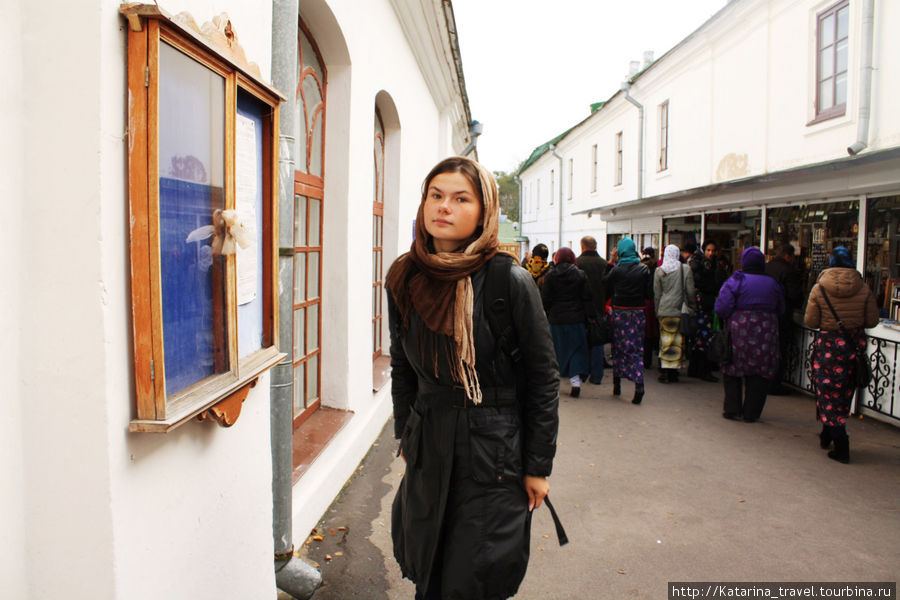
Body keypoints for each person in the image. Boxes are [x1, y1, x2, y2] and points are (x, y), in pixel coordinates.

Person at [385, 156, 560, 599]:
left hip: (493, 452)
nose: (444, 207)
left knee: (476, 573)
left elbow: (543, 378)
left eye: (461, 198)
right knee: (430, 562)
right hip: (430, 440)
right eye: (436, 195)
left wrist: (537, 466)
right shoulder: (404, 277)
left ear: (484, 212)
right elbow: (402, 365)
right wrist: (407, 434)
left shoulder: (509, 281)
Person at [804, 246, 878, 464]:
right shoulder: (864, 288)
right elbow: (872, 320)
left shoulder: (820, 289)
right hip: (852, 347)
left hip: (829, 348)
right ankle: (828, 433)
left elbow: (811, 321)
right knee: (845, 391)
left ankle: (840, 442)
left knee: (827, 391)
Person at [714, 247, 785, 423]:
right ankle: (751, 412)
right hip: (766, 331)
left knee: (732, 368)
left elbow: (722, 307)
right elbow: (781, 308)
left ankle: (732, 409)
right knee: (760, 373)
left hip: (739, 330)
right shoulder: (773, 283)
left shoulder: (736, 280)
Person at [604, 238, 651, 404]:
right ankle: (639, 385)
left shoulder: (617, 270)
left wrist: (611, 261)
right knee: (636, 349)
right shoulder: (644, 269)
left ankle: (617, 385)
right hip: (638, 312)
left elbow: (605, 284)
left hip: (620, 312)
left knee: (618, 348)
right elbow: (648, 293)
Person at [543, 247, 594, 397]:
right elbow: (587, 296)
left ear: (557, 258)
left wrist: (548, 312)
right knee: (576, 351)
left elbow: (545, 299)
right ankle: (575, 383)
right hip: (576, 318)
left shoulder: (550, 276)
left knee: (557, 351)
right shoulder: (580, 274)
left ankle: (554, 385)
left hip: (556, 319)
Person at [653, 245, 696, 383]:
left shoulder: (659, 271)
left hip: (664, 310)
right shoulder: (685, 269)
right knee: (678, 342)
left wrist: (657, 310)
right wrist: (692, 307)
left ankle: (665, 370)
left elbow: (657, 294)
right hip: (679, 311)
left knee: (665, 341)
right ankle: (674, 371)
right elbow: (690, 291)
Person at [765, 241, 803, 394]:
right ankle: (774, 384)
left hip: (766, 317)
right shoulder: (789, 271)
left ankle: (764, 380)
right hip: (782, 317)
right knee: (780, 350)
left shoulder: (767, 267)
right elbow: (794, 296)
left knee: (767, 350)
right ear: (788, 256)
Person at [687, 240, 722, 382]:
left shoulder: (704, 264)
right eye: (708, 250)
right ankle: (703, 370)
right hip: (704, 305)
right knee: (704, 339)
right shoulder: (705, 266)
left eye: (713, 250)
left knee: (698, 339)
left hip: (701, 304)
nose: (711, 253)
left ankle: (695, 369)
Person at [576, 236, 608, 384]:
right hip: (599, 307)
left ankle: (582, 373)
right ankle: (597, 375)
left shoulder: (577, 263)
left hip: (580, 308)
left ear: (582, 247)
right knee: (597, 341)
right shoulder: (604, 264)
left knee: (581, 341)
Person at [641, 247, 660, 370]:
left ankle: (646, 361)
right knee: (655, 335)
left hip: (646, 305)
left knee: (646, 336)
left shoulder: (642, 275)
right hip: (654, 305)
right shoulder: (656, 273)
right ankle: (659, 360)